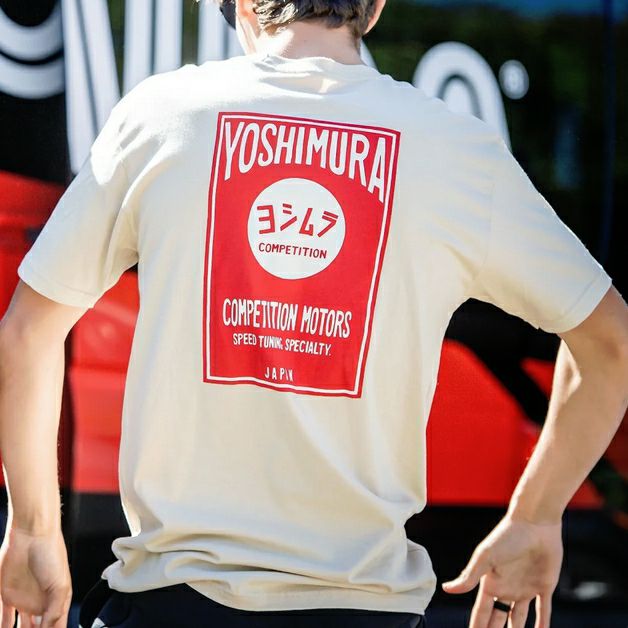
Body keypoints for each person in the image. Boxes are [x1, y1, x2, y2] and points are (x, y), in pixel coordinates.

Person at [0, 0, 627, 625]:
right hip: (365, 611)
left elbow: (28, 333)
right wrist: (537, 514)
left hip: (169, 604)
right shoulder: (458, 151)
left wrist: (33, 529)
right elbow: (611, 343)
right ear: (372, 9)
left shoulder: (160, 116)